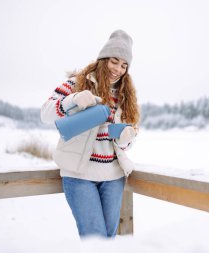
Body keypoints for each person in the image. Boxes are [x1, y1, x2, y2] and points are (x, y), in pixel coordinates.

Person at [40, 30, 140, 239]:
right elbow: (46, 114)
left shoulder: (125, 96)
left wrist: (125, 140)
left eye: (124, 65)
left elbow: (123, 145)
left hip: (113, 176)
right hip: (79, 176)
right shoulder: (77, 83)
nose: (118, 69)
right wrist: (73, 99)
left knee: (108, 239)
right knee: (95, 239)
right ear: (104, 59)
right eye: (114, 61)